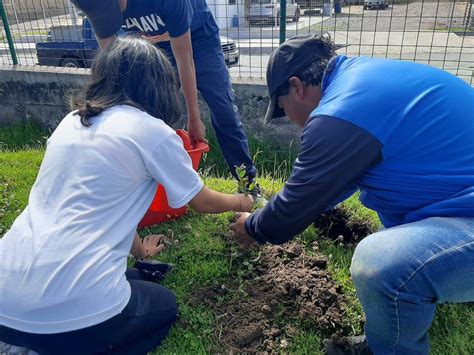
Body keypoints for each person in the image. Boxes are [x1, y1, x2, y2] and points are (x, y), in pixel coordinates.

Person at [0, 36, 254, 354]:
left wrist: (138, 250)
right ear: (159, 86)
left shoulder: (72, 122)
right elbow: (201, 200)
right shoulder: (152, 131)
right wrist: (245, 201)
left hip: (4, 299)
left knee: (133, 278)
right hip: (70, 315)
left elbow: (101, 200)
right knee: (163, 305)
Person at [230, 33, 474, 354]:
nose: (290, 121)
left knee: (381, 263)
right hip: (460, 209)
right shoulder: (364, 81)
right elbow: (318, 193)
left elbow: (290, 212)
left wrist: (253, 227)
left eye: (282, 109)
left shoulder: (338, 114)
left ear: (297, 87)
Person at [71, 0, 257, 183]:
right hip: (154, 44)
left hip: (200, 37)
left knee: (223, 110)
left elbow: (185, 59)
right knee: (150, 110)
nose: (111, 19)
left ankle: (247, 182)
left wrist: (194, 117)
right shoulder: (97, 7)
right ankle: (158, 182)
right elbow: (112, 68)